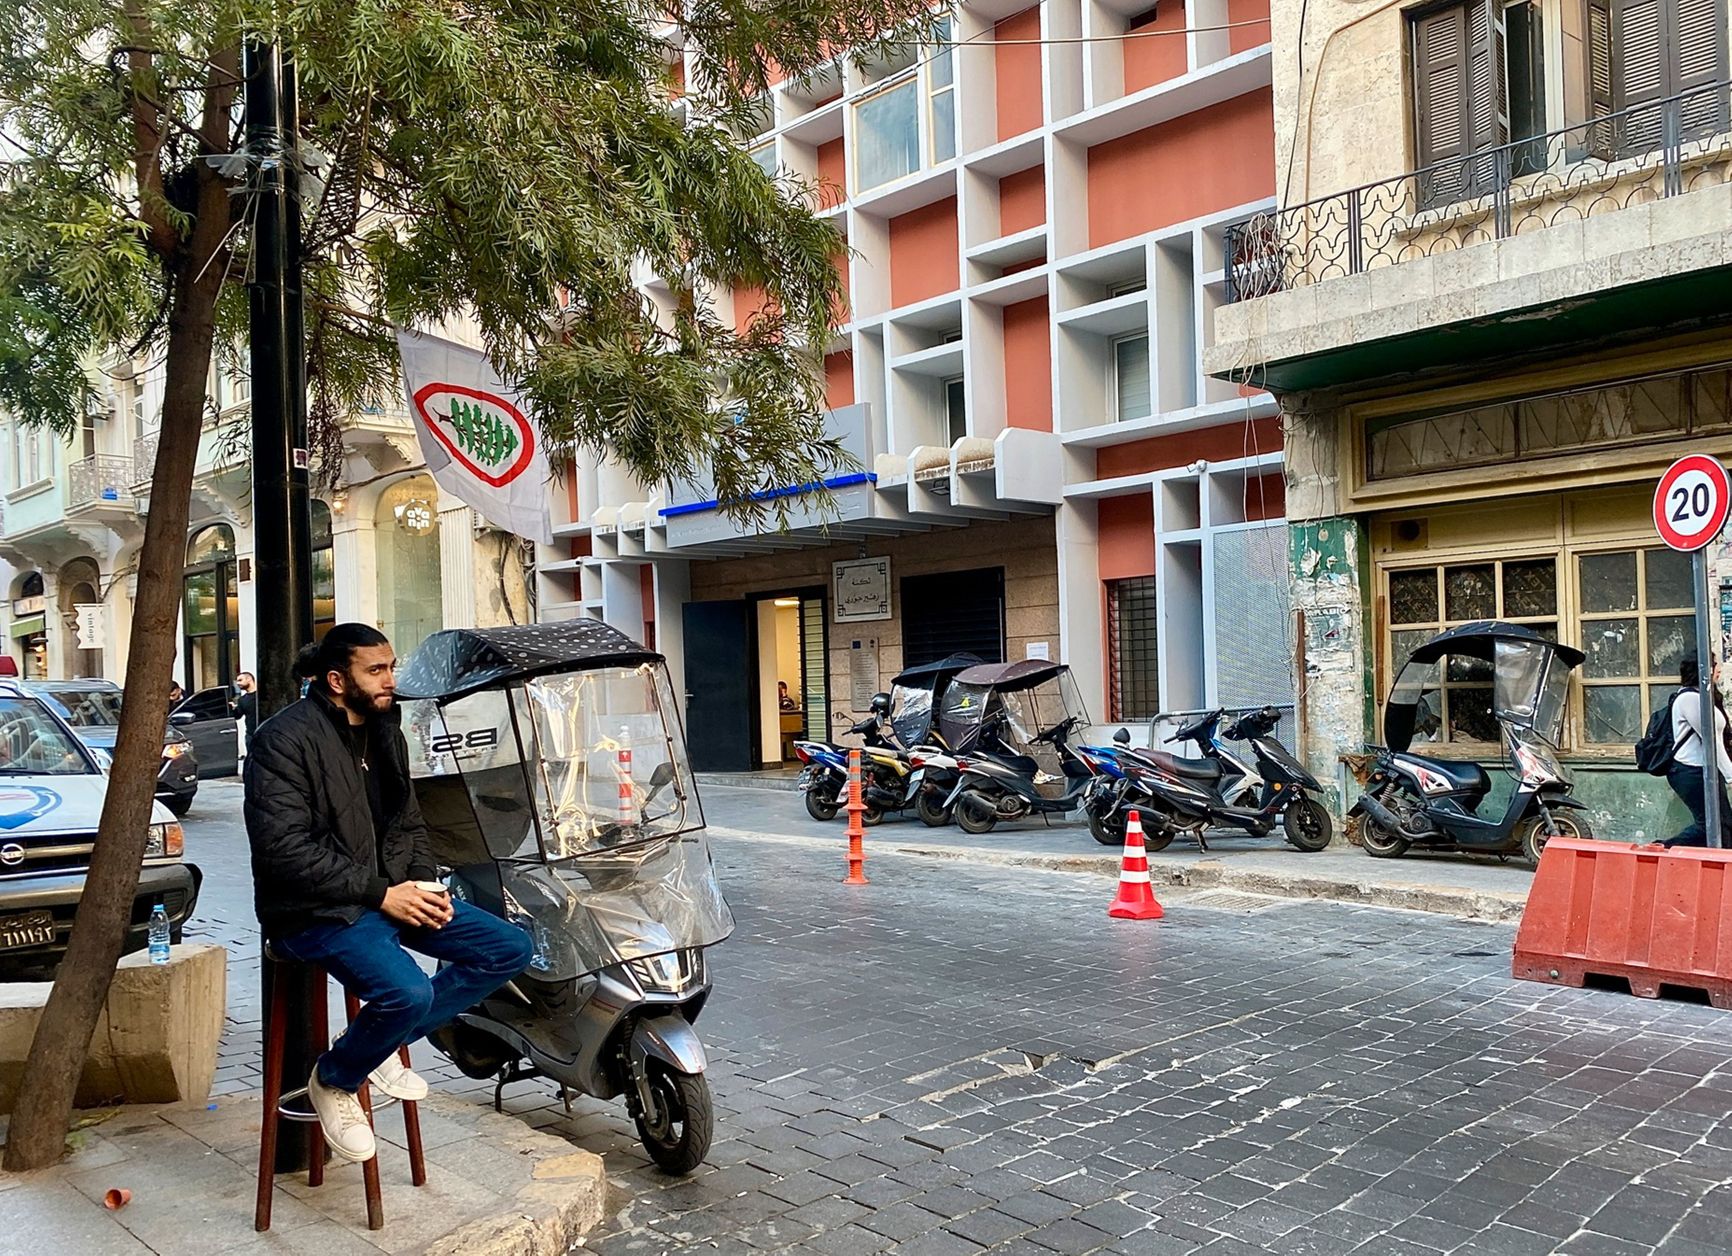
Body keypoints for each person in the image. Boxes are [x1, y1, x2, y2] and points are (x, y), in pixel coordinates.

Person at [244, 623, 533, 1163]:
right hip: (315, 912)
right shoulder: (282, 739)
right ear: (336, 680)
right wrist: (382, 894)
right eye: (375, 670)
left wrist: (422, 882)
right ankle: (335, 1078)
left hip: (387, 895)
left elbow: (409, 824)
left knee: (508, 949)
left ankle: (375, 1045)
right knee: (409, 993)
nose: (389, 680)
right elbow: (285, 852)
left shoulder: (386, 731)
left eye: (391, 667)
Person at [1665, 656, 1732, 848]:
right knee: (1710, 825)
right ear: (1703, 669)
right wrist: (1730, 774)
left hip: (1706, 770)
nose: (1718, 669)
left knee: (1723, 824)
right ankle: (1663, 848)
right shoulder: (1689, 699)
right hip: (1690, 771)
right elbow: (1710, 741)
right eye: (1715, 664)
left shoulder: (1703, 696)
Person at [231, 671, 259, 749]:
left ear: (249, 679)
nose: (238, 683)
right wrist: (232, 709)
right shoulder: (242, 700)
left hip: (266, 733)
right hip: (251, 735)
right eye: (237, 681)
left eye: (240, 680)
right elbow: (237, 716)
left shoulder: (262, 695)